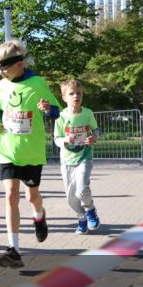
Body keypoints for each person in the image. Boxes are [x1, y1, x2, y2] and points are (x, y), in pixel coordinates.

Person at [0, 38, 60, 269]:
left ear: (19, 63)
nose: (1, 73)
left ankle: (39, 215)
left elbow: (56, 110)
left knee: (32, 197)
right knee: (10, 195)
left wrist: (48, 109)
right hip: (7, 149)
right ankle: (14, 249)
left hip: (31, 151)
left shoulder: (37, 83)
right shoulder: (1, 87)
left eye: (4, 67)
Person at [54, 80, 101, 234]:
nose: (76, 96)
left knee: (81, 189)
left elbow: (96, 130)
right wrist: (64, 140)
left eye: (78, 93)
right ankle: (81, 219)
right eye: (71, 93)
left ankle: (90, 210)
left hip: (84, 157)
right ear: (64, 98)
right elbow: (56, 138)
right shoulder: (60, 117)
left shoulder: (88, 113)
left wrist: (94, 138)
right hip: (67, 160)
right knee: (71, 196)